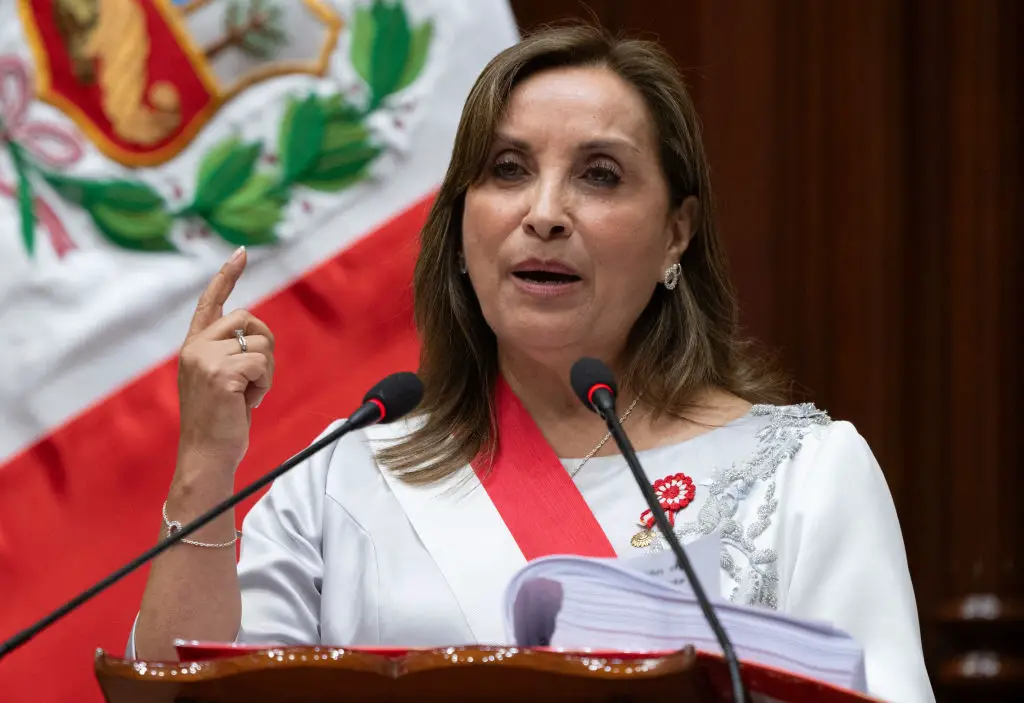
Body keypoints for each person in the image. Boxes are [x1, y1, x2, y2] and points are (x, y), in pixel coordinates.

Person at [129, 23, 934, 703]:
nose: (544, 213)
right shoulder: (345, 470)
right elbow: (178, 691)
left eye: (600, 174)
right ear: (461, 221)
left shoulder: (806, 474)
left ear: (677, 233)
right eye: (508, 169)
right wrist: (206, 460)